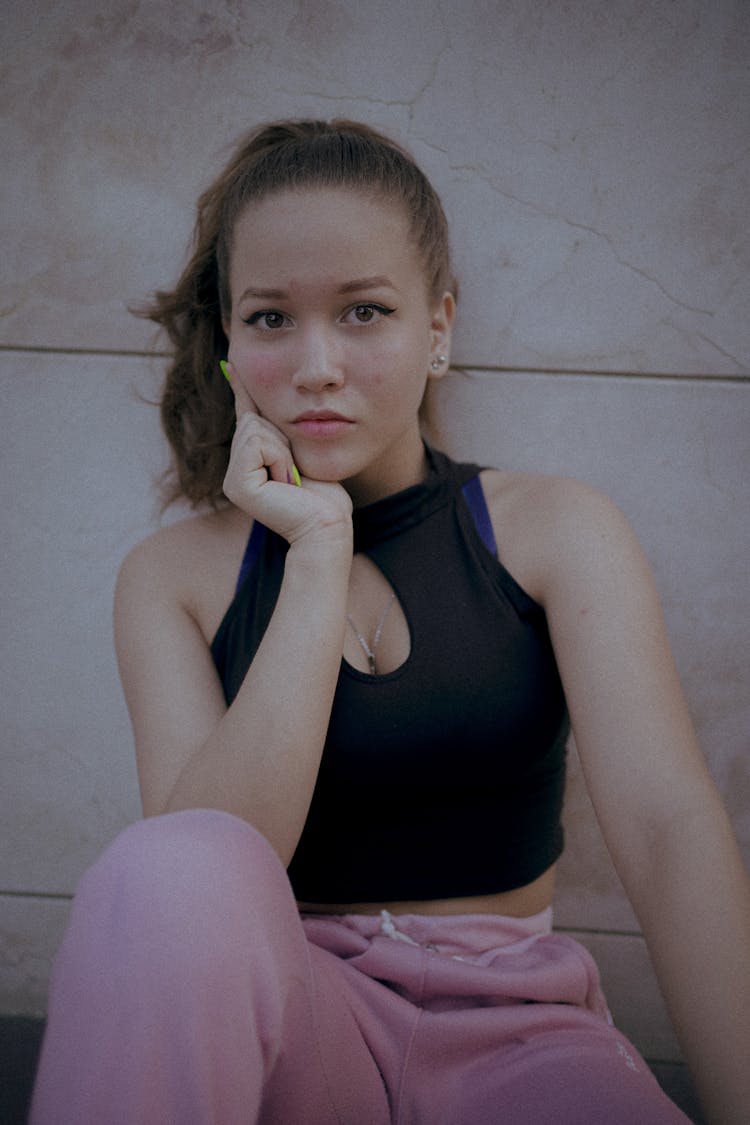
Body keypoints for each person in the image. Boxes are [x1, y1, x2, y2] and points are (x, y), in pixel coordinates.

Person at [31, 119, 749, 1125]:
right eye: (271, 318)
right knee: (163, 865)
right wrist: (317, 552)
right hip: (299, 1028)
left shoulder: (556, 532)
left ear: (440, 328)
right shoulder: (172, 578)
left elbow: (671, 832)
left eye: (364, 311)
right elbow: (213, 868)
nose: (317, 364)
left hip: (522, 1030)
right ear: (230, 346)